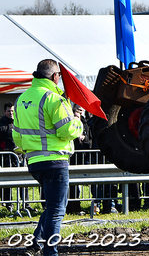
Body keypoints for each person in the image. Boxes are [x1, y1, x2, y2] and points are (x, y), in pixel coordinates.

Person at [13, 59, 83, 256]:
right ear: (55, 77)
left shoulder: (22, 98)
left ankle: (36, 244)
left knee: (52, 206)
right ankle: (50, 252)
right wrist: (78, 122)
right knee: (56, 210)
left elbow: (16, 135)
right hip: (55, 161)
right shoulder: (53, 99)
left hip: (34, 162)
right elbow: (67, 131)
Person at [0, 102, 17, 212]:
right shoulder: (1, 124)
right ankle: (8, 202)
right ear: (4, 111)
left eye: (12, 111)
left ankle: (26, 203)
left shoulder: (19, 122)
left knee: (24, 181)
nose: (10, 113)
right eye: (8, 111)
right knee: (7, 181)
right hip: (6, 157)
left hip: (19, 156)